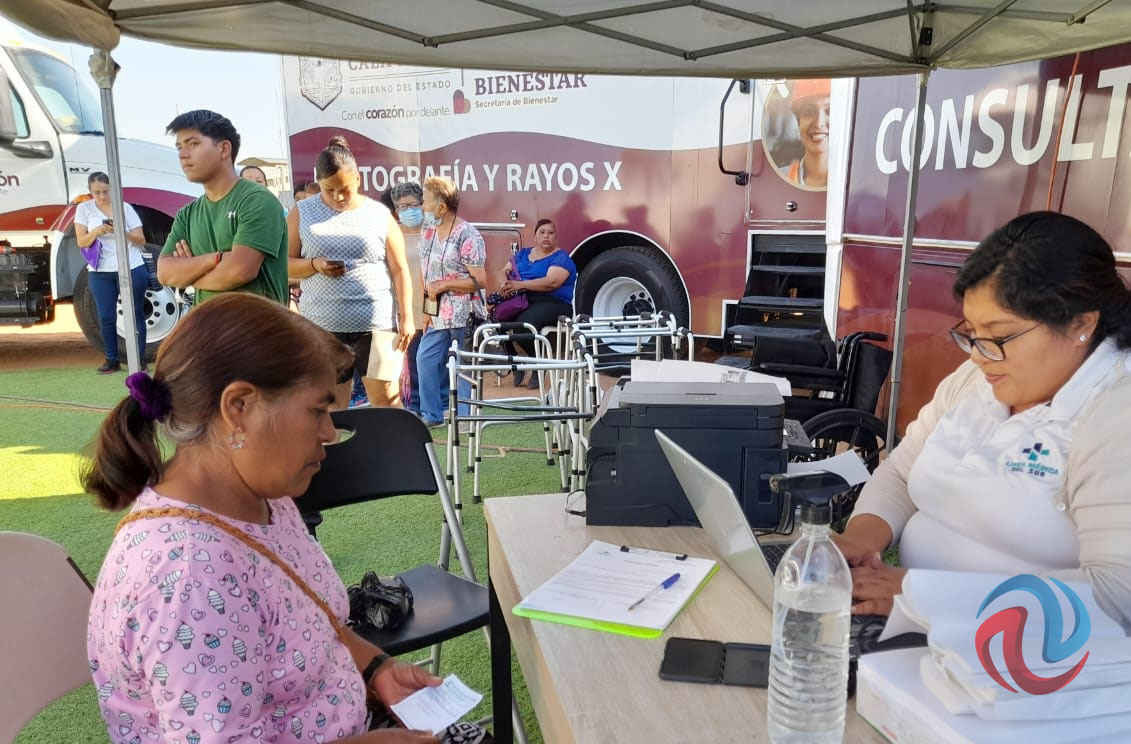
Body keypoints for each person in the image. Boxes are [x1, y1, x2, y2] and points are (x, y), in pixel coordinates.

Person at [83, 293, 498, 744]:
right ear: (238, 407)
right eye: (318, 411)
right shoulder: (186, 574)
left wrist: (377, 669)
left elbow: (316, 622)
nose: (330, 433)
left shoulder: (265, 500)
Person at [838, 212, 1131, 632]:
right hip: (908, 625)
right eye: (971, 332)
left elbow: (1116, 597)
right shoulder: (977, 378)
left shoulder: (1116, 411)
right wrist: (860, 543)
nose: (976, 355)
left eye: (998, 336)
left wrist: (924, 596)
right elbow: (901, 473)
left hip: (1019, 662)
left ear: (1081, 323)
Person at [287, 136, 414, 409]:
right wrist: (313, 265)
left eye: (344, 188)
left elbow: (400, 268)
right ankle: (337, 454)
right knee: (331, 407)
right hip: (322, 327)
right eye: (328, 189)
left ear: (357, 179)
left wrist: (407, 318)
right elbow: (284, 265)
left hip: (377, 325)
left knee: (387, 404)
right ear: (318, 182)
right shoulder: (301, 212)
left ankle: (390, 452)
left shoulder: (379, 214)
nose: (338, 197)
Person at [156, 110, 289, 304]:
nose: (183, 155)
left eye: (193, 144)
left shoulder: (256, 200)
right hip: (209, 328)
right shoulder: (188, 214)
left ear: (224, 149)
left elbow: (239, 271)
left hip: (258, 329)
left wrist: (189, 271)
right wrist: (217, 259)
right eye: (179, 147)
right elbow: (165, 273)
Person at [416, 177, 487, 427]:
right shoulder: (428, 233)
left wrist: (446, 284)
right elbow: (426, 275)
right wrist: (426, 310)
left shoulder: (467, 235)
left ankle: (467, 418)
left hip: (464, 313)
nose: (421, 207)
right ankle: (432, 415)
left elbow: (480, 280)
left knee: (464, 365)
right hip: (437, 316)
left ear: (442, 207)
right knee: (425, 359)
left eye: (425, 201)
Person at [73, 172, 149, 374]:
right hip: (100, 270)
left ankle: (139, 359)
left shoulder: (125, 208)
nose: (102, 196)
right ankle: (111, 359)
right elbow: (81, 242)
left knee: (135, 313)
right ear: (90, 192)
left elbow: (141, 239)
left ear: (113, 190)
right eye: (96, 192)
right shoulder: (84, 209)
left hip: (131, 265)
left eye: (106, 191)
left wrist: (119, 231)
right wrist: (97, 231)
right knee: (106, 316)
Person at [495, 218, 576, 388]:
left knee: (522, 326)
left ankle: (539, 363)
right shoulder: (523, 254)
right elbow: (503, 270)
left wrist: (520, 285)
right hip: (524, 300)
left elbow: (551, 283)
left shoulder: (561, 258)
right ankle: (516, 363)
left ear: (556, 237)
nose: (547, 236)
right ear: (535, 237)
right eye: (542, 232)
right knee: (497, 320)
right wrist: (504, 284)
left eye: (551, 233)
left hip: (554, 302)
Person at [390, 181, 426, 414]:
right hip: (404, 308)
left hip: (431, 307)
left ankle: (437, 404)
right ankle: (414, 404)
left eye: (414, 205)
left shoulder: (433, 232)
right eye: (403, 206)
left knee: (430, 361)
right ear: (396, 210)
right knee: (410, 360)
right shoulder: (392, 234)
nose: (409, 210)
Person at [781, 79, 830, 189]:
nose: (819, 123)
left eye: (829, 111)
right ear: (798, 122)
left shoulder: (856, 181)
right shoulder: (778, 179)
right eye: (809, 112)